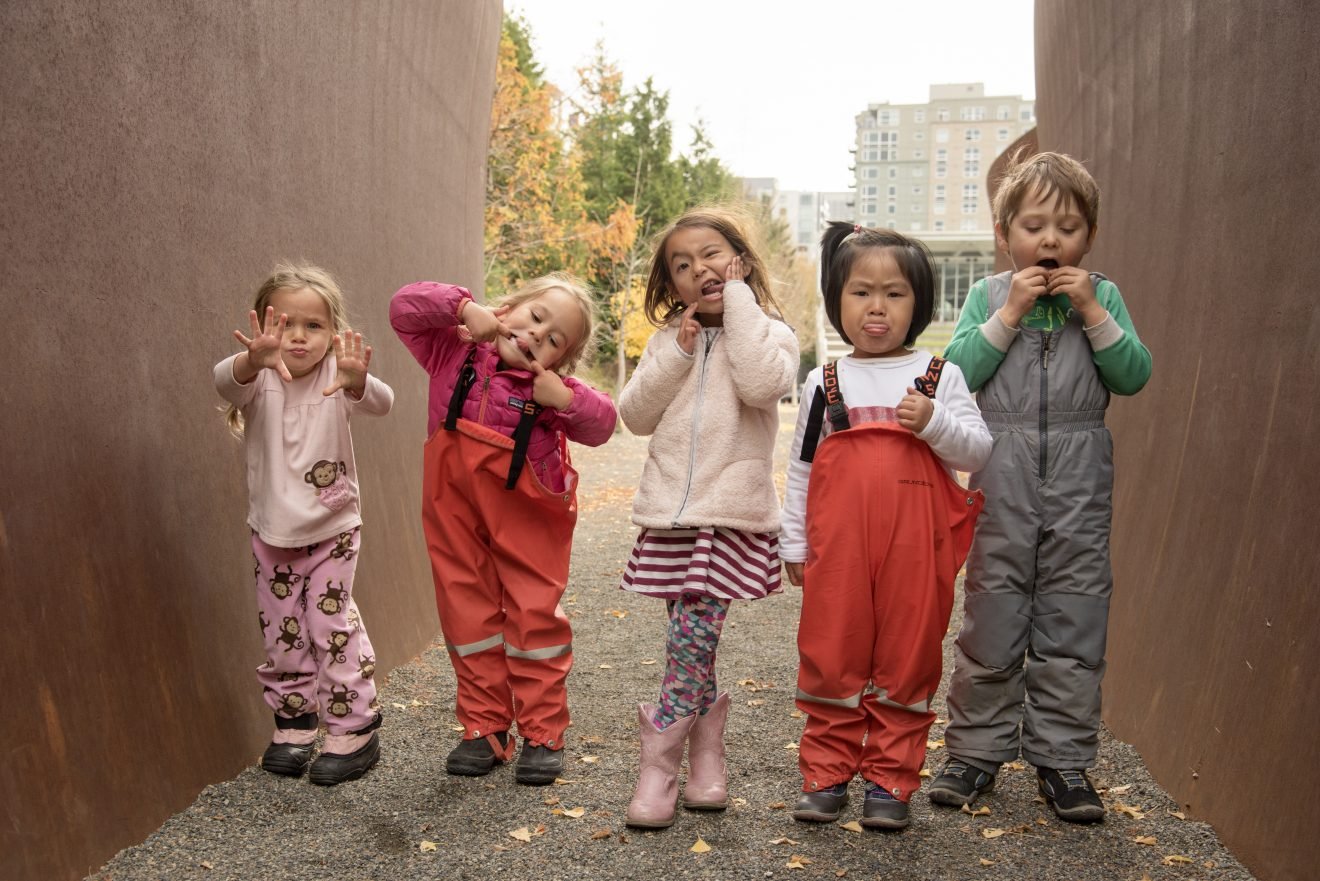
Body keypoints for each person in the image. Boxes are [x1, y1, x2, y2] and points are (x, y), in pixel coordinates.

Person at [930, 151, 1152, 823]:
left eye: (1068, 226)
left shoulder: (1102, 295)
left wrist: (1091, 310)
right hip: (1003, 461)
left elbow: (1133, 373)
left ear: (1089, 235)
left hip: (1082, 469)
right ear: (1006, 234)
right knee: (994, 604)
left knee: (1074, 608)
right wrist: (1010, 313)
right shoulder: (987, 296)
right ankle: (975, 752)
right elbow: (958, 372)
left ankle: (1064, 759)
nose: (1051, 240)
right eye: (1034, 226)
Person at [781, 224, 991, 830]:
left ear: (919, 304)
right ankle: (826, 773)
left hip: (916, 554)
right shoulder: (825, 383)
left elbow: (976, 452)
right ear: (837, 303)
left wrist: (932, 423)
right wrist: (794, 542)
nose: (877, 307)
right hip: (839, 552)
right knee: (831, 657)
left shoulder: (940, 376)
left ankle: (890, 780)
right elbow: (800, 472)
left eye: (895, 294)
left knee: (908, 659)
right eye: (861, 293)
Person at [389, 272, 616, 786]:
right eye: (536, 317)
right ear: (508, 307)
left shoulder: (551, 392)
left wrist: (566, 398)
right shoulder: (451, 352)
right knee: (466, 610)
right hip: (455, 510)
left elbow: (603, 424)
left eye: (555, 339)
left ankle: (542, 731)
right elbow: (403, 307)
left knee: (534, 616)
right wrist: (463, 307)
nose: (538, 335)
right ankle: (485, 727)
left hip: (527, 516)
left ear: (562, 360)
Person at [618, 206, 800, 830]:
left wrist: (743, 305)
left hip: (729, 512)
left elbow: (759, 386)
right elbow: (635, 416)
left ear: (741, 263)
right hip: (670, 514)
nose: (701, 268)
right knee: (691, 644)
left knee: (690, 639)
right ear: (672, 284)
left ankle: (657, 767)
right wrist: (677, 352)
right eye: (683, 264)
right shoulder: (669, 339)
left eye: (713, 255)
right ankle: (706, 759)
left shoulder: (772, 332)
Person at [214, 263, 394, 785]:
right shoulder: (259, 377)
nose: (298, 335)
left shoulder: (338, 374)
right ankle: (295, 719)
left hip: (333, 528)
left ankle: (354, 726)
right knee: (281, 630)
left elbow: (382, 403)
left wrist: (359, 378)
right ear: (265, 328)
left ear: (334, 332)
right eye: (285, 323)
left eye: (313, 326)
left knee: (328, 623)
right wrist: (251, 360)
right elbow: (224, 382)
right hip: (272, 531)